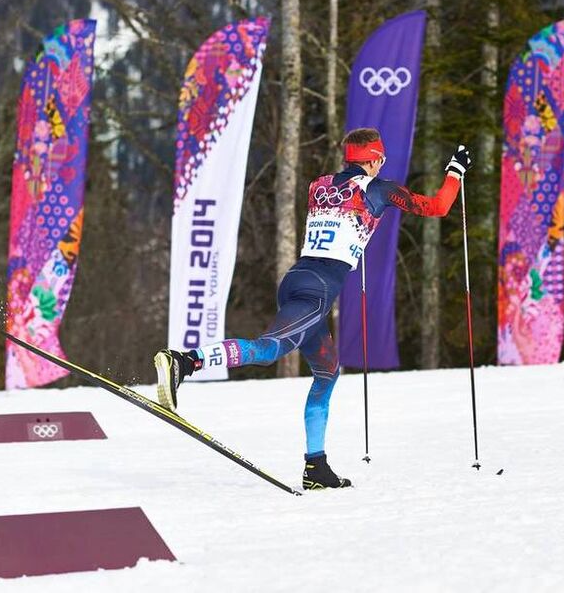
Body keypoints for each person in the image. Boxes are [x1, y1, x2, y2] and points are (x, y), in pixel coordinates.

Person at [154, 128, 472, 490]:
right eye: (379, 159)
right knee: (268, 350)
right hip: (317, 292)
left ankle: (316, 467)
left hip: (297, 280)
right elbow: (438, 207)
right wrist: (455, 171)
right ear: (371, 159)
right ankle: (186, 361)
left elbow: (346, 217)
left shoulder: (318, 185)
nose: (382, 165)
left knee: (328, 372)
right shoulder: (378, 188)